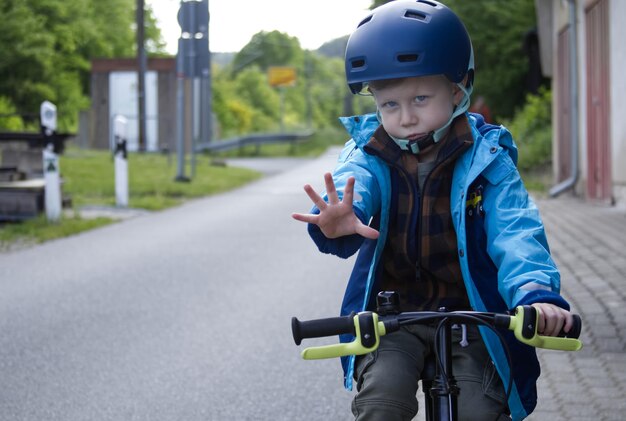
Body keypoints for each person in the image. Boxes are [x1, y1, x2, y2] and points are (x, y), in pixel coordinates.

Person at [292, 1, 575, 420]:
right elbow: (359, 185)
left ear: (458, 90)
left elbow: (516, 231)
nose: (406, 117)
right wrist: (343, 220)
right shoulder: (369, 152)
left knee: (479, 410)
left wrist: (535, 293)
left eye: (421, 97)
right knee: (381, 402)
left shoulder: (489, 159)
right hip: (393, 316)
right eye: (389, 105)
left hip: (474, 315)